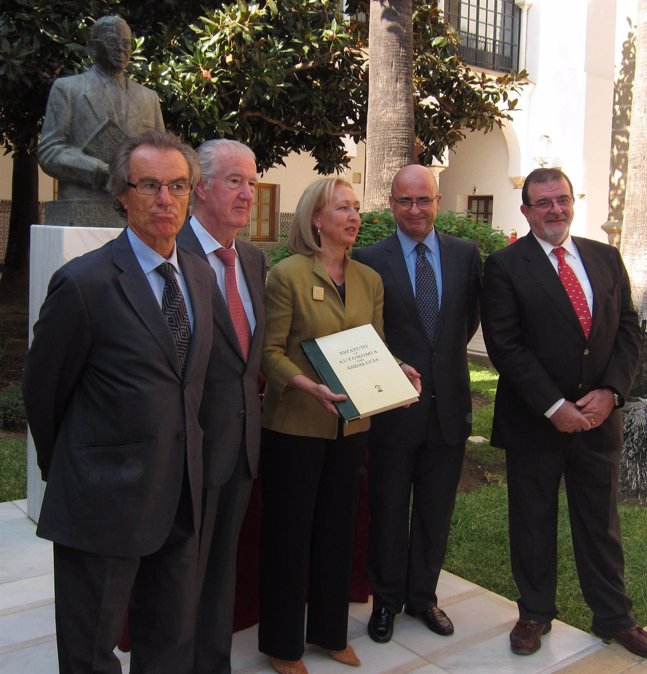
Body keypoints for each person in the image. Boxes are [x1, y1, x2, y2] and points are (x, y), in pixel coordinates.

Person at [23, 130, 218, 673]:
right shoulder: (84, 284)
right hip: (103, 502)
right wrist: (76, 469)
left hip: (181, 493)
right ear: (122, 195)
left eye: (178, 185)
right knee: (90, 651)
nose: (165, 199)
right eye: (149, 185)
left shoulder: (200, 277)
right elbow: (44, 392)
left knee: (169, 640)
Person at [480, 167, 647, 661]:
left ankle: (615, 618)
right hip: (534, 421)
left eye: (561, 199)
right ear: (526, 211)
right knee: (533, 520)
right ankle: (535, 612)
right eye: (543, 202)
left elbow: (628, 327)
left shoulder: (604, 257)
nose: (555, 209)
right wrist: (553, 405)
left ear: (571, 202)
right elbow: (505, 344)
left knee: (600, 522)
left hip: (600, 420)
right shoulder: (504, 266)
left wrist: (612, 392)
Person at [259, 178, 388, 674]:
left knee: (338, 533)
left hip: (350, 429)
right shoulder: (287, 274)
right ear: (316, 218)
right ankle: (283, 646)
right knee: (289, 537)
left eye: (357, 208)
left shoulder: (369, 280)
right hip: (295, 427)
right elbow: (269, 353)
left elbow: (373, 350)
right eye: (342, 208)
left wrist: (397, 373)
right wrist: (305, 385)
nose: (354, 217)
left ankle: (331, 634)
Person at [353, 164, 481, 643]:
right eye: (405, 201)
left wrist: (438, 360)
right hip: (393, 410)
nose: (415, 210)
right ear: (391, 204)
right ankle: (385, 603)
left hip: (448, 408)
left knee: (435, 510)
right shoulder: (368, 259)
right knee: (387, 510)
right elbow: (365, 331)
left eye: (423, 200)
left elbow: (464, 324)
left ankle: (423, 597)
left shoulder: (466, 256)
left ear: (437, 200)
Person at [177, 138, 266, 673]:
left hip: (242, 445)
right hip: (188, 446)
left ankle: (213, 663)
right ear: (201, 187)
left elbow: (249, 357)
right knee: (180, 569)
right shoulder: (172, 252)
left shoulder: (253, 258)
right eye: (236, 180)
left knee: (221, 568)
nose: (248, 193)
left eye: (253, 182)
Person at [38, 15, 164, 224]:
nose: (121, 49)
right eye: (112, 42)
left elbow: (161, 153)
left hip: (135, 211)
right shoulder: (68, 89)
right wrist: (98, 172)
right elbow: (49, 151)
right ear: (92, 47)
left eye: (126, 44)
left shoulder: (148, 98)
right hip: (82, 207)